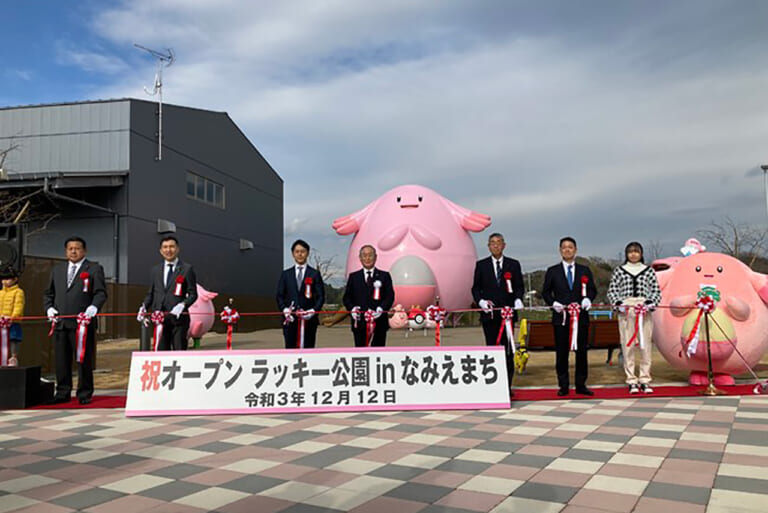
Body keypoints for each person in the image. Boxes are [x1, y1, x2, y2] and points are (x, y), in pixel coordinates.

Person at [43, 237, 107, 404]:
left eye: (77, 248)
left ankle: (84, 393)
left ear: (84, 251)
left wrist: (93, 308)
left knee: (83, 359)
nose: (73, 251)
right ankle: (63, 392)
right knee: (61, 360)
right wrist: (49, 308)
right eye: (70, 248)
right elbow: (48, 293)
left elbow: (100, 293)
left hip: (82, 324)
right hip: (60, 323)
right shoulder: (57, 270)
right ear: (66, 251)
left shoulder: (93, 268)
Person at [542, 237, 597, 396]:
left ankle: (581, 385)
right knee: (561, 353)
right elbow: (545, 292)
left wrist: (588, 299)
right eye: (564, 247)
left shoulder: (584, 270)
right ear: (560, 250)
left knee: (581, 352)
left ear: (575, 250)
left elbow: (592, 290)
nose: (567, 250)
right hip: (561, 318)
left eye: (570, 247)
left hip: (581, 318)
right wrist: (553, 303)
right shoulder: (553, 271)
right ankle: (563, 385)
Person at [471, 233, 525, 396]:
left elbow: (519, 287)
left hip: (507, 316)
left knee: (508, 351)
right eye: (492, 243)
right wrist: (480, 301)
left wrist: (517, 299)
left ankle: (507, 387)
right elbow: (475, 288)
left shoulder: (513, 264)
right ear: (488, 246)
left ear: (504, 245)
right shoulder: (482, 265)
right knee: (492, 350)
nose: (495, 246)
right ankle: (494, 386)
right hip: (490, 316)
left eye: (498, 243)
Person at [607, 242, 661, 394]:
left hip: (643, 309)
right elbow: (612, 290)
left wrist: (650, 303)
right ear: (626, 254)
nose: (633, 254)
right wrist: (618, 303)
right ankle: (631, 379)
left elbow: (656, 290)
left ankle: (644, 378)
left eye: (636, 251)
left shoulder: (648, 271)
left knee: (645, 346)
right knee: (627, 345)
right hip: (627, 309)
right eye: (630, 252)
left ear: (641, 253)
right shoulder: (619, 271)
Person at [140, 236, 198, 350]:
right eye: (165, 247)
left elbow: (193, 294)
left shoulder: (186, 269)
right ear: (161, 251)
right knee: (161, 353)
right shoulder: (155, 270)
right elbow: (151, 293)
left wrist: (183, 305)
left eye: (172, 246)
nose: (168, 250)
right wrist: (144, 307)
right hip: (160, 319)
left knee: (179, 353)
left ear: (177, 249)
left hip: (179, 320)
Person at [276, 239, 326, 349]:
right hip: (290, 319)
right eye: (297, 251)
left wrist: (313, 311)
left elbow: (320, 296)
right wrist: (284, 309)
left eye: (302, 251)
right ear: (293, 253)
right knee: (290, 348)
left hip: (309, 320)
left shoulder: (314, 274)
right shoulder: (286, 274)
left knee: (308, 348)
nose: (300, 254)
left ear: (307, 253)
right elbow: (279, 295)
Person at [343, 245, 395, 347]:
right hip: (360, 323)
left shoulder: (384, 276)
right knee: (361, 353)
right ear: (360, 258)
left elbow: (390, 296)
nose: (367, 258)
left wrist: (381, 308)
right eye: (364, 255)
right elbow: (347, 298)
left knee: (378, 352)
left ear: (375, 257)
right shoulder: (354, 277)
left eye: (370, 255)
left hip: (379, 323)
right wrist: (352, 309)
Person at [0, 271, 25, 367]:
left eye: (8, 279)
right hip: (1, 323)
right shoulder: (0, 293)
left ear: (15, 279)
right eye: (3, 279)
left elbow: (19, 306)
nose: (5, 282)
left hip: (12, 322)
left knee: (14, 340)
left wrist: (13, 317)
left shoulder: (19, 292)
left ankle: (13, 358)